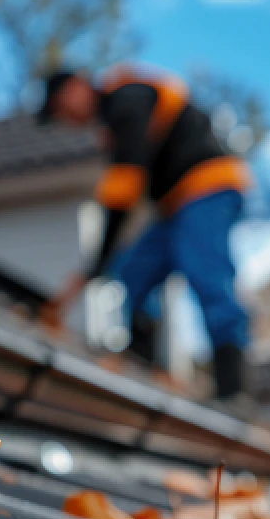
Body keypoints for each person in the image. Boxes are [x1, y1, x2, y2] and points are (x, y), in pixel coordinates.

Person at [37, 65, 253, 399]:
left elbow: (124, 191)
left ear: (77, 87)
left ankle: (233, 387)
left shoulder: (126, 100)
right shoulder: (116, 119)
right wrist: (102, 266)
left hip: (208, 185)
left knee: (206, 271)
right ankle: (141, 366)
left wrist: (95, 265)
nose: (64, 118)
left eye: (59, 106)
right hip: (172, 203)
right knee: (135, 270)